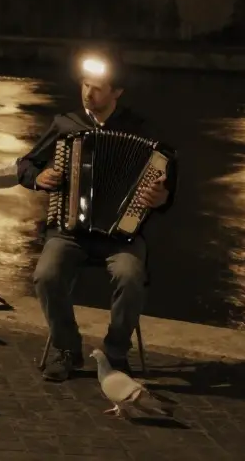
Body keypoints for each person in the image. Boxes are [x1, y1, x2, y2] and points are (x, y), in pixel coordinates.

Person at [16, 52, 178, 382]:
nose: (88, 94)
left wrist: (162, 197)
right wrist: (39, 177)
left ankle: (116, 352)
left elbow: (166, 183)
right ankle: (67, 349)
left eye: (98, 88)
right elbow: (26, 164)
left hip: (121, 236)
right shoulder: (66, 124)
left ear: (117, 92)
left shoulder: (141, 131)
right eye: (85, 86)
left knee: (131, 276)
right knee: (45, 276)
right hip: (68, 232)